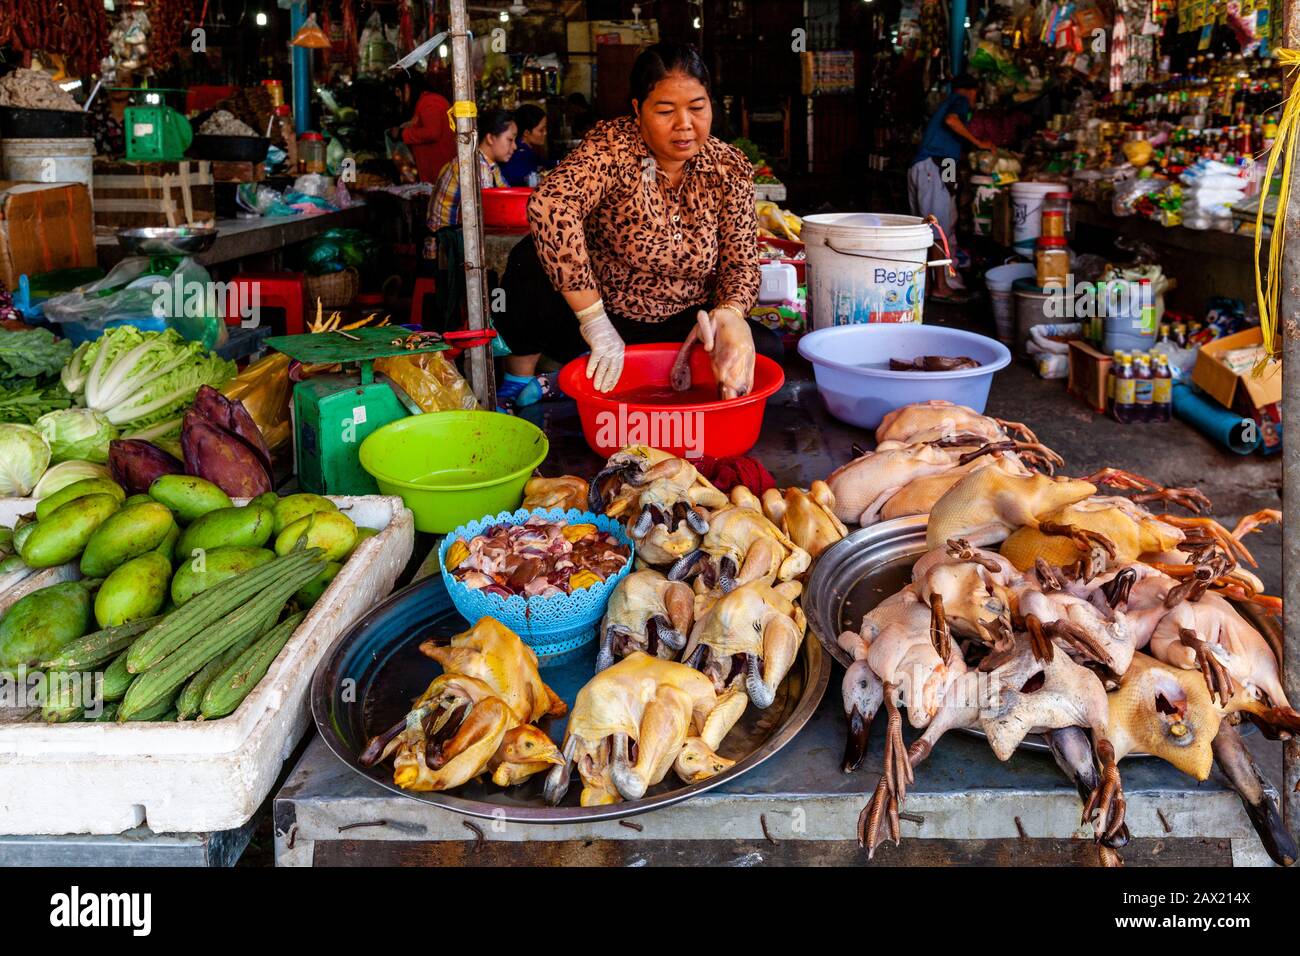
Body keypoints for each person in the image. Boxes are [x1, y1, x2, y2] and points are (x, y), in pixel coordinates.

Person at [492, 42, 780, 408]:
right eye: (665, 110)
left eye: (697, 107)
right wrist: (593, 319)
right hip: (603, 321)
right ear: (637, 111)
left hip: (685, 326)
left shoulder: (729, 167)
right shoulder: (612, 148)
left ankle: (568, 381)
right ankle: (520, 381)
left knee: (766, 349)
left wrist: (731, 313)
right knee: (529, 257)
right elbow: (552, 204)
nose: (684, 125)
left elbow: (741, 263)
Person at [908, 73, 994, 303]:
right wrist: (979, 143)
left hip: (931, 167)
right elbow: (951, 121)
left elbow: (948, 157)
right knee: (936, 229)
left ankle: (927, 286)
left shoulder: (947, 104)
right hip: (932, 168)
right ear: (971, 90)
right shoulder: (959, 100)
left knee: (930, 227)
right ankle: (940, 287)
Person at [427, 109, 516, 232]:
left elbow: (507, 196)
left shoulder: (489, 165)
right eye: (510, 140)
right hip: (448, 245)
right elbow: (490, 215)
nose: (515, 146)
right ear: (490, 138)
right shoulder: (477, 167)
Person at [389, 70, 456, 185]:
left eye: (398, 90)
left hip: (440, 170)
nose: (398, 95)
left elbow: (432, 132)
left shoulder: (430, 102)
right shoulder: (425, 102)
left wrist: (402, 133)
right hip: (436, 170)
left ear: (407, 87)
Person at [501, 103, 548, 187]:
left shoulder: (529, 152)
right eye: (541, 130)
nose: (545, 133)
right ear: (526, 132)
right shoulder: (518, 155)